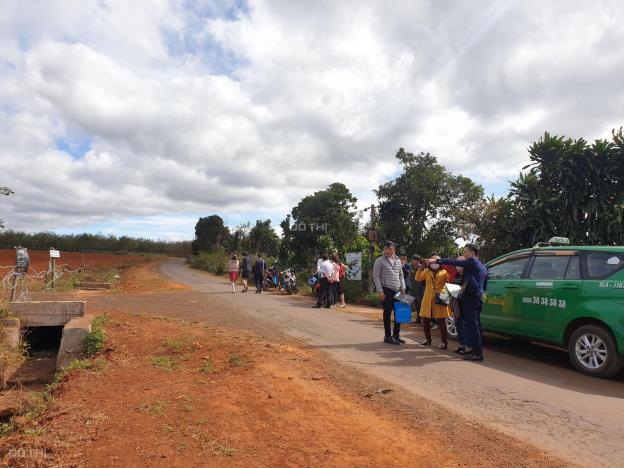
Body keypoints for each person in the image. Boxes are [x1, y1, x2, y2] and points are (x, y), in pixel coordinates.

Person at [432, 244, 488, 361]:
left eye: (466, 252)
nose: (464, 254)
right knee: (476, 325)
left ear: (473, 252)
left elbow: (454, 262)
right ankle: (474, 350)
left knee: (472, 325)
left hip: (471, 299)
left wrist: (437, 260)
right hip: (478, 298)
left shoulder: (472, 262)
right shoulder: (482, 267)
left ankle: (477, 353)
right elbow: (484, 284)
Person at [373, 240, 406, 345]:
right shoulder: (379, 261)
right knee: (387, 313)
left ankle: (396, 335)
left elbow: (401, 275)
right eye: (386, 249)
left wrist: (403, 288)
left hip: (398, 290)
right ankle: (387, 336)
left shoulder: (398, 261)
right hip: (386, 290)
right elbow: (376, 277)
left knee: (399, 313)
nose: (387, 251)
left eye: (390, 249)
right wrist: (380, 291)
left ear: (394, 250)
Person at [416, 255, 450, 349]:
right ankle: (427, 340)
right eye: (432, 262)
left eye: (436, 262)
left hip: (440, 298)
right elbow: (418, 278)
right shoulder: (426, 271)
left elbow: (449, 282)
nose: (434, 264)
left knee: (441, 321)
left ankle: (444, 342)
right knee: (426, 321)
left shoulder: (445, 272)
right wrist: (422, 267)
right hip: (427, 299)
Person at [450, 256, 468, 354]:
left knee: (465, 325)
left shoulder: (468, 276)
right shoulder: (455, 276)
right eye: (457, 264)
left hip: (465, 303)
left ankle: (467, 346)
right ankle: (461, 344)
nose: (458, 266)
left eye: (460, 264)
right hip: (456, 304)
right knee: (458, 324)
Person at [410, 254, 425, 325]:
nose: (412, 261)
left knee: (421, 305)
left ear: (418, 260)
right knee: (416, 305)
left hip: (420, 289)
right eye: (412, 260)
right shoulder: (412, 268)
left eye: (414, 260)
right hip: (413, 289)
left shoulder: (421, 268)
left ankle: (423, 320)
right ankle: (418, 319)